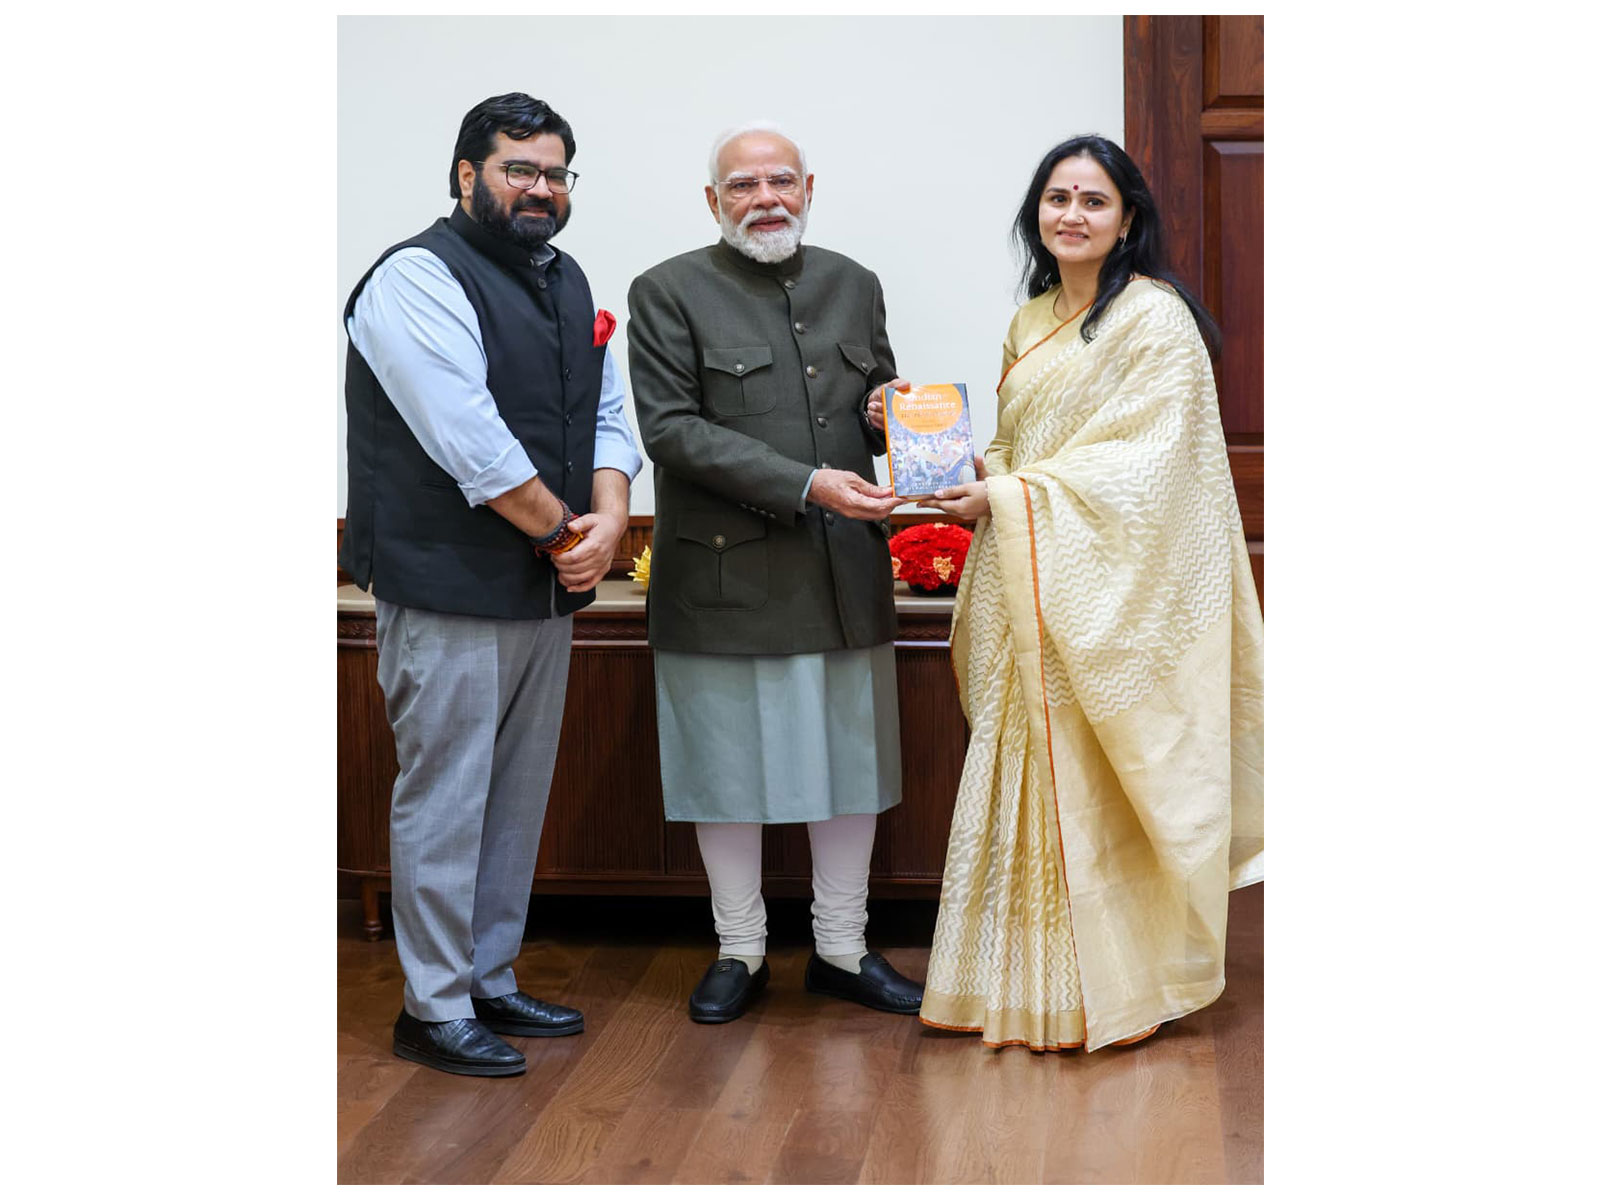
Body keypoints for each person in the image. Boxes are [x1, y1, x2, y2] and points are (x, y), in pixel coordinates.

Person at [909, 135, 1264, 1052]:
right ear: (1038, 213)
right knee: (1020, 758)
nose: (1072, 214)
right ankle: (1011, 982)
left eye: (1093, 201)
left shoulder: (1154, 320)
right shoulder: (1031, 324)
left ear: (1128, 219)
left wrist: (1010, 495)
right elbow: (1026, 451)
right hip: (1027, 582)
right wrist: (969, 467)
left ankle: (1119, 985)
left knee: (1104, 773)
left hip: (1107, 593)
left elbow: (1150, 469)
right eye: (1056, 198)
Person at [340, 93, 642, 1076]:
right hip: (446, 586)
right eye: (519, 168)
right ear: (465, 174)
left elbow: (605, 416)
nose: (540, 188)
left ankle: (488, 981)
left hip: (547, 584)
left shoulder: (566, 278)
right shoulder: (414, 277)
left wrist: (607, 518)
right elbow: (464, 436)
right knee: (446, 794)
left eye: (556, 172)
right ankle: (430, 1007)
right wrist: (568, 534)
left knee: (513, 796)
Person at [627, 121, 925, 1024]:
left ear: (807, 188)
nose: (767, 199)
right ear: (713, 201)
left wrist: (888, 417)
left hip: (841, 573)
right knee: (727, 771)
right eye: (744, 186)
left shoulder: (853, 283)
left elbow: (877, 413)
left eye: (781, 181)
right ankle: (740, 948)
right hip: (723, 579)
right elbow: (671, 429)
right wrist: (804, 484)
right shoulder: (666, 290)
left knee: (850, 764)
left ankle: (841, 946)